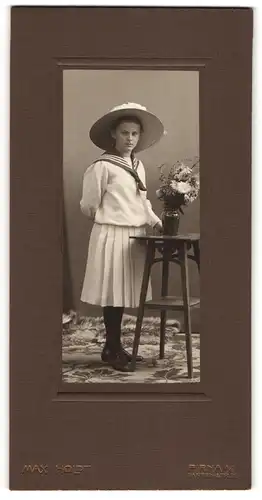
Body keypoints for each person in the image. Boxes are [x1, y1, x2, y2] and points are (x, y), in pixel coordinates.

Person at [80, 102, 165, 371]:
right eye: (125, 133)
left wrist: (154, 221)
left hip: (136, 235)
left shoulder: (138, 165)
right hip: (113, 234)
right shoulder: (102, 166)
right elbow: (89, 204)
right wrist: (112, 218)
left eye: (135, 134)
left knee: (125, 293)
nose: (130, 139)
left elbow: (142, 200)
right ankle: (110, 346)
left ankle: (116, 347)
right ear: (114, 134)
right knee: (112, 293)